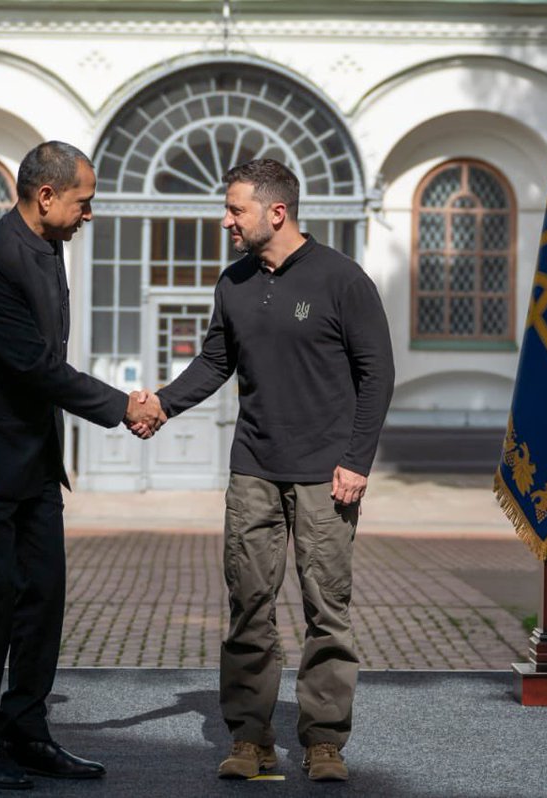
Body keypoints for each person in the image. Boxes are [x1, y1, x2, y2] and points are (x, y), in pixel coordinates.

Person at [0, 141, 164, 790]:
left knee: (43, 601)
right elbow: (34, 366)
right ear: (47, 196)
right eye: (84, 201)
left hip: (31, 464)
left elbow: (41, 367)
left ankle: (27, 733)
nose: (91, 212)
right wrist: (125, 407)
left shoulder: (46, 247)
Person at [149, 159, 394, 782]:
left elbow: (377, 374)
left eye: (235, 210)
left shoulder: (343, 279)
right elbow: (214, 363)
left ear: (275, 212)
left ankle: (323, 742)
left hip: (326, 475)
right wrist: (161, 405)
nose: (225, 220)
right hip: (254, 469)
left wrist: (356, 460)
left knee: (326, 609)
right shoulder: (232, 283)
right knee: (248, 606)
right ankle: (250, 738)